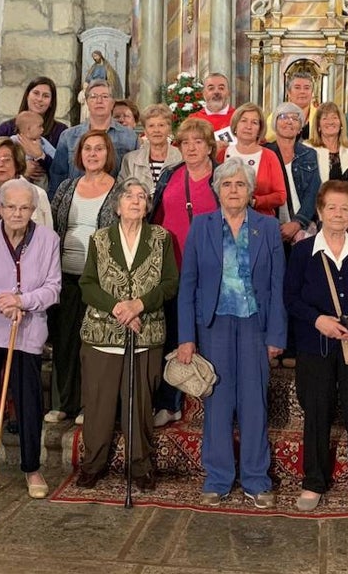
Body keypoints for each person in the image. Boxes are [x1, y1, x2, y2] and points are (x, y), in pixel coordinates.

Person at [176, 159, 287, 508]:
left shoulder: (268, 228)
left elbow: (277, 284)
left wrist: (276, 336)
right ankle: (218, 477)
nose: (234, 190)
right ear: (217, 190)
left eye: (240, 184)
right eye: (227, 185)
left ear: (250, 190)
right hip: (214, 325)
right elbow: (188, 284)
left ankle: (256, 479)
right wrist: (186, 336)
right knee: (218, 404)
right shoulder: (201, 226)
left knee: (254, 404)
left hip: (255, 323)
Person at [283, 180, 348, 512]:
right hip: (315, 346)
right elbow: (291, 298)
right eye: (332, 207)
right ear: (319, 211)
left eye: (345, 208)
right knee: (316, 413)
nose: (339, 213)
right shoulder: (302, 252)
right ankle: (313, 481)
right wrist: (319, 321)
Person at [0, 178, 61, 502]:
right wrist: (0, 300)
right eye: (11, 206)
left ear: (33, 209)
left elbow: (53, 287)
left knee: (29, 403)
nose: (17, 213)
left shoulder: (48, 239)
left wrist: (24, 301)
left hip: (25, 330)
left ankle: (32, 468)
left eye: (24, 207)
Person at [76, 178, 179, 491]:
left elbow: (169, 283)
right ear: (117, 205)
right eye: (129, 196)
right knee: (98, 404)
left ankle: (140, 465)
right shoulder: (100, 238)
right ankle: (93, 464)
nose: (136, 201)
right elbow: (88, 285)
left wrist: (139, 305)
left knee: (140, 404)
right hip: (102, 334)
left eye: (142, 196)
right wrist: (119, 308)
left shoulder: (161, 238)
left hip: (146, 334)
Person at [48, 130, 123, 424]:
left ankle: (89, 405)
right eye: (88, 149)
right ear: (80, 155)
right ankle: (65, 403)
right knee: (65, 343)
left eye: (99, 149)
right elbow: (53, 227)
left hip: (101, 281)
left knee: (93, 347)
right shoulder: (67, 187)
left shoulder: (119, 190)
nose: (93, 154)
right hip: (65, 275)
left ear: (108, 155)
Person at [149, 117, 219, 427]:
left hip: (211, 269)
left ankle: (212, 400)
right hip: (172, 266)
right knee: (174, 337)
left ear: (209, 147)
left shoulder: (221, 178)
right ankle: (170, 402)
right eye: (185, 142)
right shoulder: (171, 175)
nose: (191, 147)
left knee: (209, 334)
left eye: (198, 142)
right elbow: (156, 217)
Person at [48, 80, 138, 196]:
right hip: (75, 202)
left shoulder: (129, 137)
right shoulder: (69, 136)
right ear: (87, 102)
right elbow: (57, 177)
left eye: (105, 96)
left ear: (112, 102)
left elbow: (134, 176)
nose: (99, 101)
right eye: (93, 97)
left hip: (115, 203)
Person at [264, 102, 320, 248]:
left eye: (295, 119)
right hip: (270, 226)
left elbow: (313, 192)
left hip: (303, 226)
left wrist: (298, 222)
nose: (289, 121)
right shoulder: (264, 152)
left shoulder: (309, 154)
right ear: (275, 123)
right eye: (283, 117)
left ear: (300, 127)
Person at [221, 102, 287, 217]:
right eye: (244, 121)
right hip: (226, 219)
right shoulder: (222, 153)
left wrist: (255, 201)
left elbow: (280, 196)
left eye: (254, 122)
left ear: (259, 129)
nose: (248, 126)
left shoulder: (269, 156)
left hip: (261, 221)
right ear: (235, 126)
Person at [0, 137, 52, 227]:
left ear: (17, 163)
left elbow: (47, 235)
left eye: (6, 160)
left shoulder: (38, 194)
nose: (0, 164)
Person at [119, 104, 182, 193]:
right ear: (145, 131)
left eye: (161, 125)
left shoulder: (182, 158)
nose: (156, 130)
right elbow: (122, 193)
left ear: (169, 129)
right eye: (151, 126)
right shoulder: (130, 160)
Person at [0, 75, 68, 149]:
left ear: (51, 102)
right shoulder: (6, 129)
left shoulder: (61, 131)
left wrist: (40, 156)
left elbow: (63, 161)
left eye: (46, 96)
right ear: (27, 96)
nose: (39, 99)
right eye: (36, 93)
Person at [306, 101, 348, 184]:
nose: (330, 122)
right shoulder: (307, 149)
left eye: (334, 118)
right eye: (325, 118)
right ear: (318, 125)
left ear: (341, 123)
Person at [266, 71, 317, 142]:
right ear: (289, 93)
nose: (302, 91)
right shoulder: (277, 115)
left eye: (306, 88)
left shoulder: (319, 115)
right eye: (297, 87)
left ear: (312, 93)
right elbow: (267, 140)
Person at [9, 110, 56, 189]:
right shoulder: (13, 141)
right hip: (19, 177)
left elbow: (55, 156)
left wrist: (41, 155)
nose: (43, 129)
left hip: (39, 176)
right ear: (28, 129)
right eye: (40, 126)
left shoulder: (42, 141)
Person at [187, 72, 236, 139]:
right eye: (211, 88)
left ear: (228, 93)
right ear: (203, 93)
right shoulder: (193, 120)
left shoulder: (239, 118)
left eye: (221, 88)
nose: (216, 92)